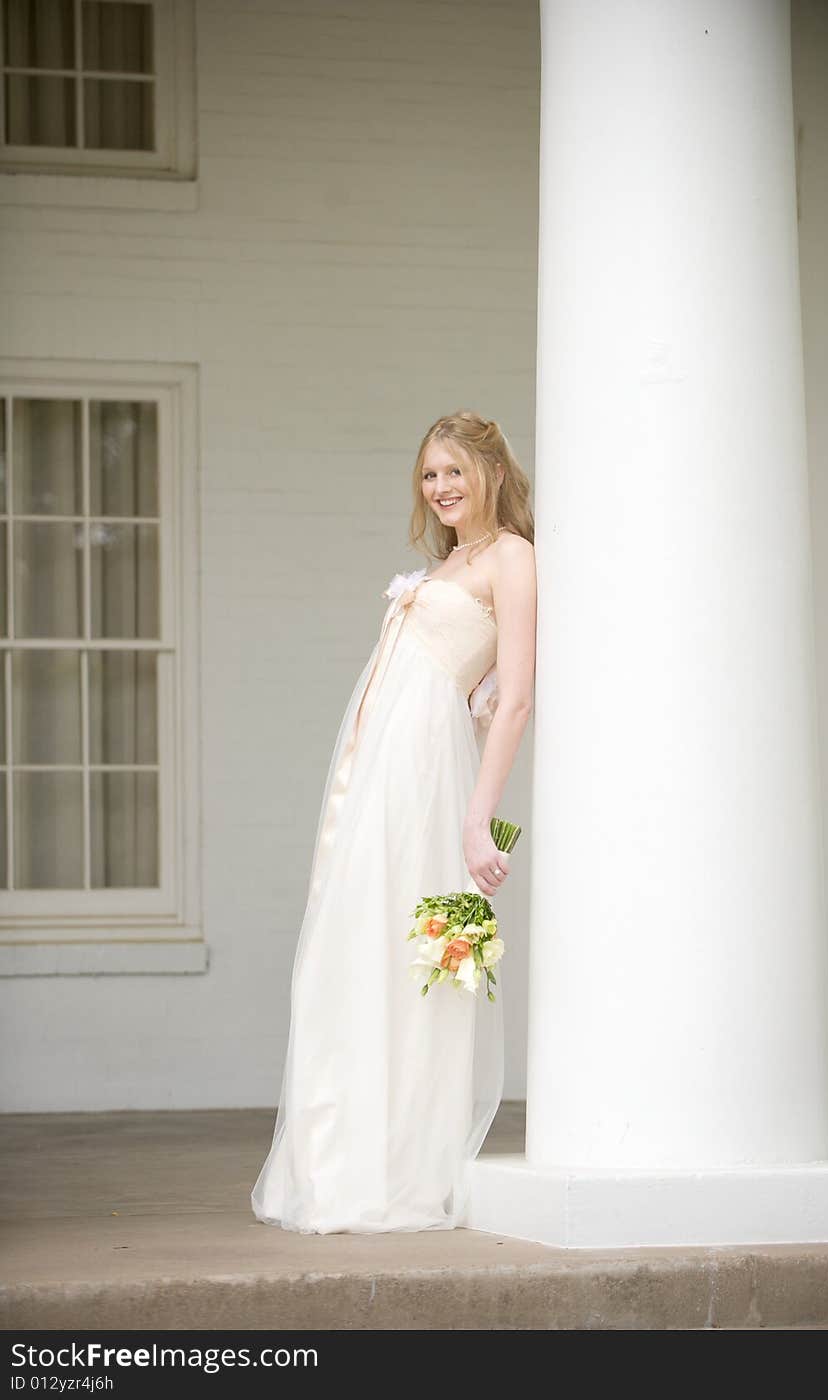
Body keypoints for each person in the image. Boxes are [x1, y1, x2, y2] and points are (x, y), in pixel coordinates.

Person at [251, 410, 537, 1234]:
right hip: (376, 775)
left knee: (418, 952)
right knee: (352, 947)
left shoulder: (514, 558)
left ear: (490, 473)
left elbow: (514, 698)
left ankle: (406, 1164)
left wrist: (479, 817)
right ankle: (345, 1158)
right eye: (428, 475)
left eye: (454, 471)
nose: (441, 488)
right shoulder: (446, 563)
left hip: (427, 778)